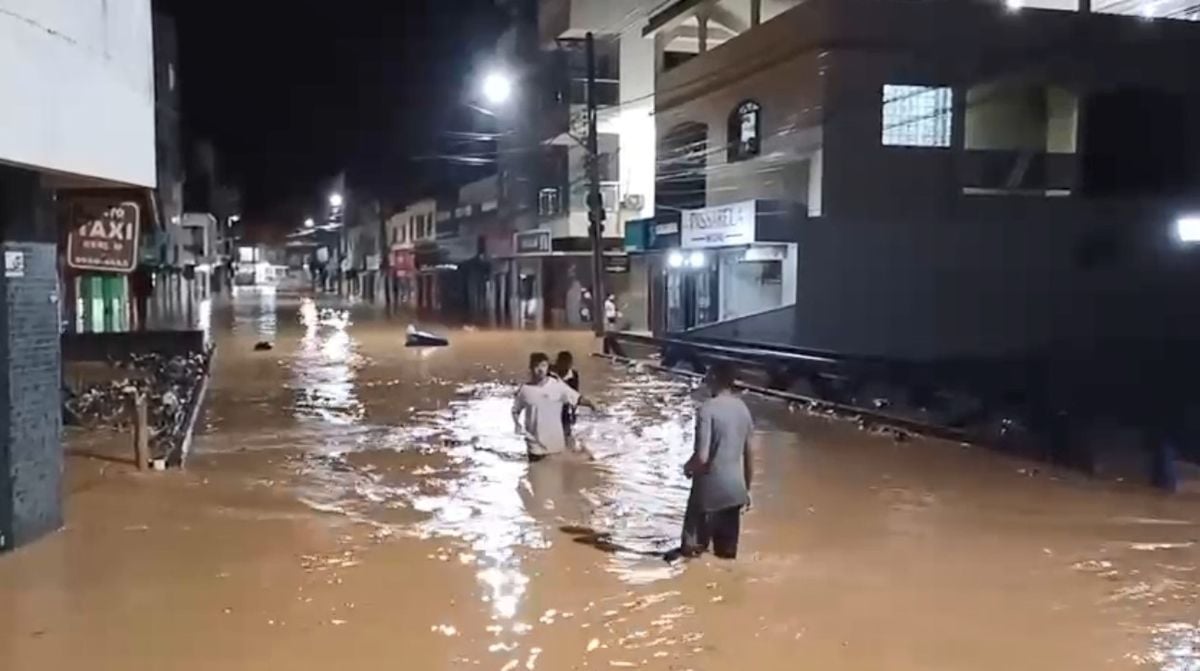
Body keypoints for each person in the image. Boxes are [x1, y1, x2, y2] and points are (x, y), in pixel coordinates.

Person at [672, 362, 755, 561]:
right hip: (735, 493)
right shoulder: (743, 410)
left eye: (708, 376)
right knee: (726, 558)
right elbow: (750, 456)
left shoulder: (706, 410)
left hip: (708, 494)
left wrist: (687, 467)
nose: (706, 380)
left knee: (690, 555)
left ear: (715, 379)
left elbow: (702, 457)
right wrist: (747, 490)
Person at [513, 352, 598, 462]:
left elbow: (575, 395)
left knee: (566, 435)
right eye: (536, 366)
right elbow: (516, 409)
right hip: (535, 443)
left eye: (543, 366)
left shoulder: (564, 381)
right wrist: (517, 424)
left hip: (562, 410)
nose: (540, 370)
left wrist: (589, 404)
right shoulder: (528, 388)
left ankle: (581, 451)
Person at [551, 351, 581, 440]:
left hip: (564, 405)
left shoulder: (573, 375)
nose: (565, 367)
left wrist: (574, 412)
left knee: (566, 430)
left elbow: (575, 393)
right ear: (558, 362)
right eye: (563, 363)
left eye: (568, 364)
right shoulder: (549, 373)